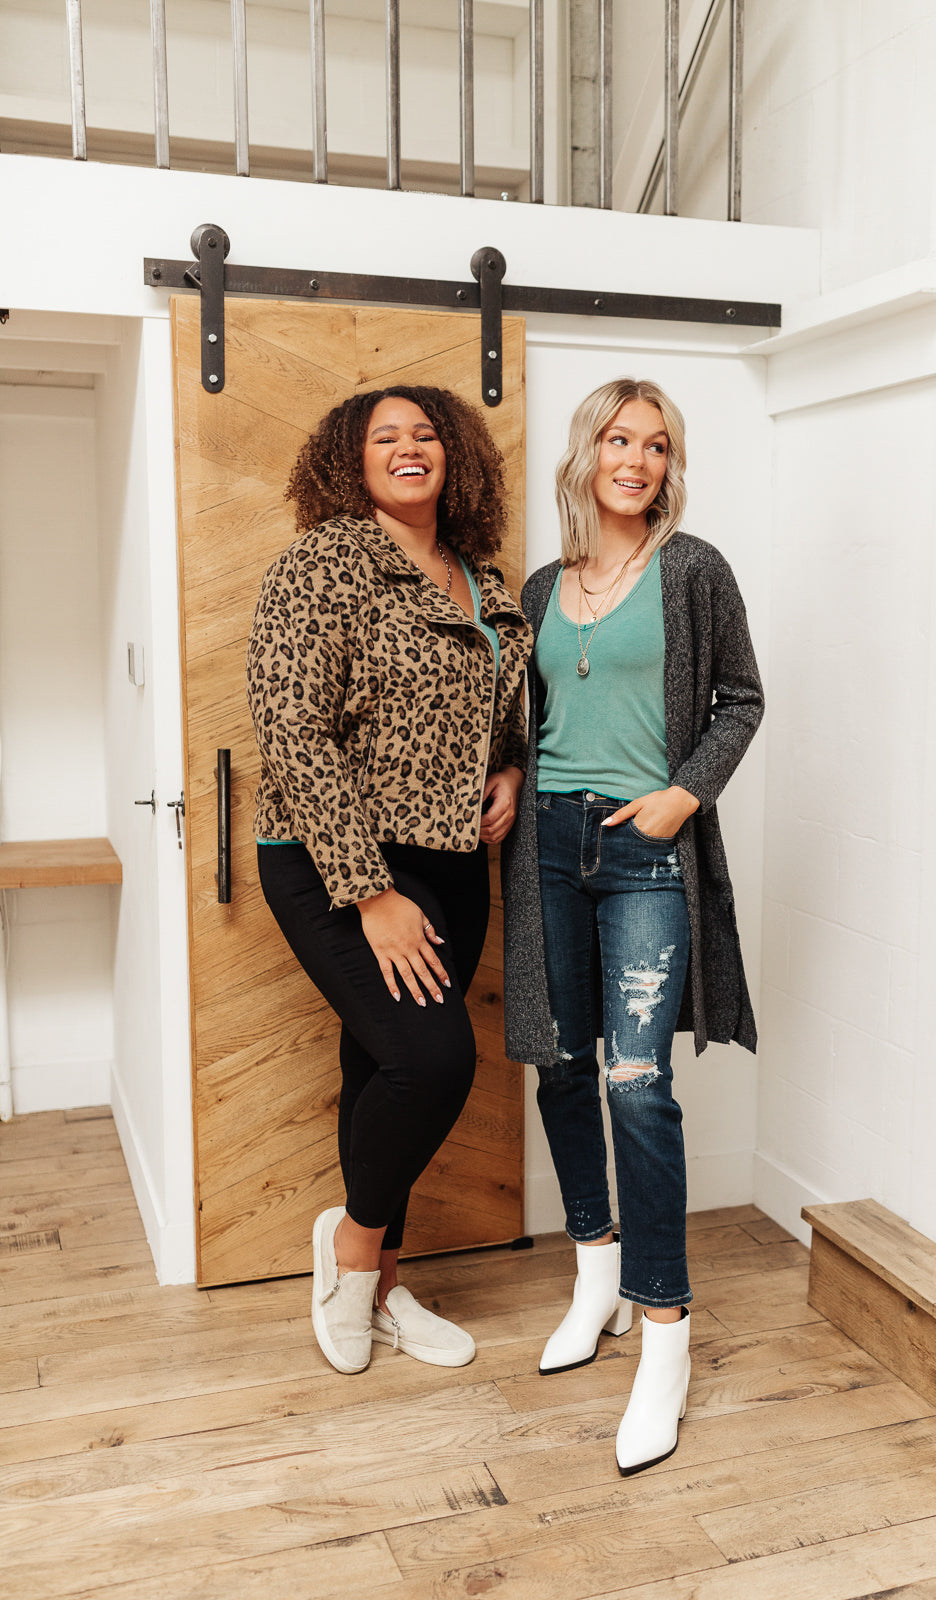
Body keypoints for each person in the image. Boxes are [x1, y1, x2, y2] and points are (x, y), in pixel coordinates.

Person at [503, 377, 763, 1475]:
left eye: (656, 444)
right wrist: (508, 780)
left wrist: (683, 793)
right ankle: (595, 1274)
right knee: (561, 1066)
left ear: (669, 465)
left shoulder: (693, 568)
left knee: (634, 1084)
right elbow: (531, 717)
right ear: (588, 453)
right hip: (547, 848)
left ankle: (665, 1331)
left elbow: (739, 699)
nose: (637, 460)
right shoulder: (542, 584)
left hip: (645, 846)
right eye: (619, 438)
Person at [248, 384, 531, 1377]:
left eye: (425, 434)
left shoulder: (478, 576)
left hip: (451, 860)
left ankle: (382, 1290)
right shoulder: (323, 567)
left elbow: (499, 714)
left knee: (379, 1068)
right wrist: (369, 893)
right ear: (349, 460)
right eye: (385, 437)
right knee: (431, 1062)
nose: (410, 448)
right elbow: (291, 734)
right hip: (331, 861)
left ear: (453, 455)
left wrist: (508, 768)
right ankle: (353, 1249)